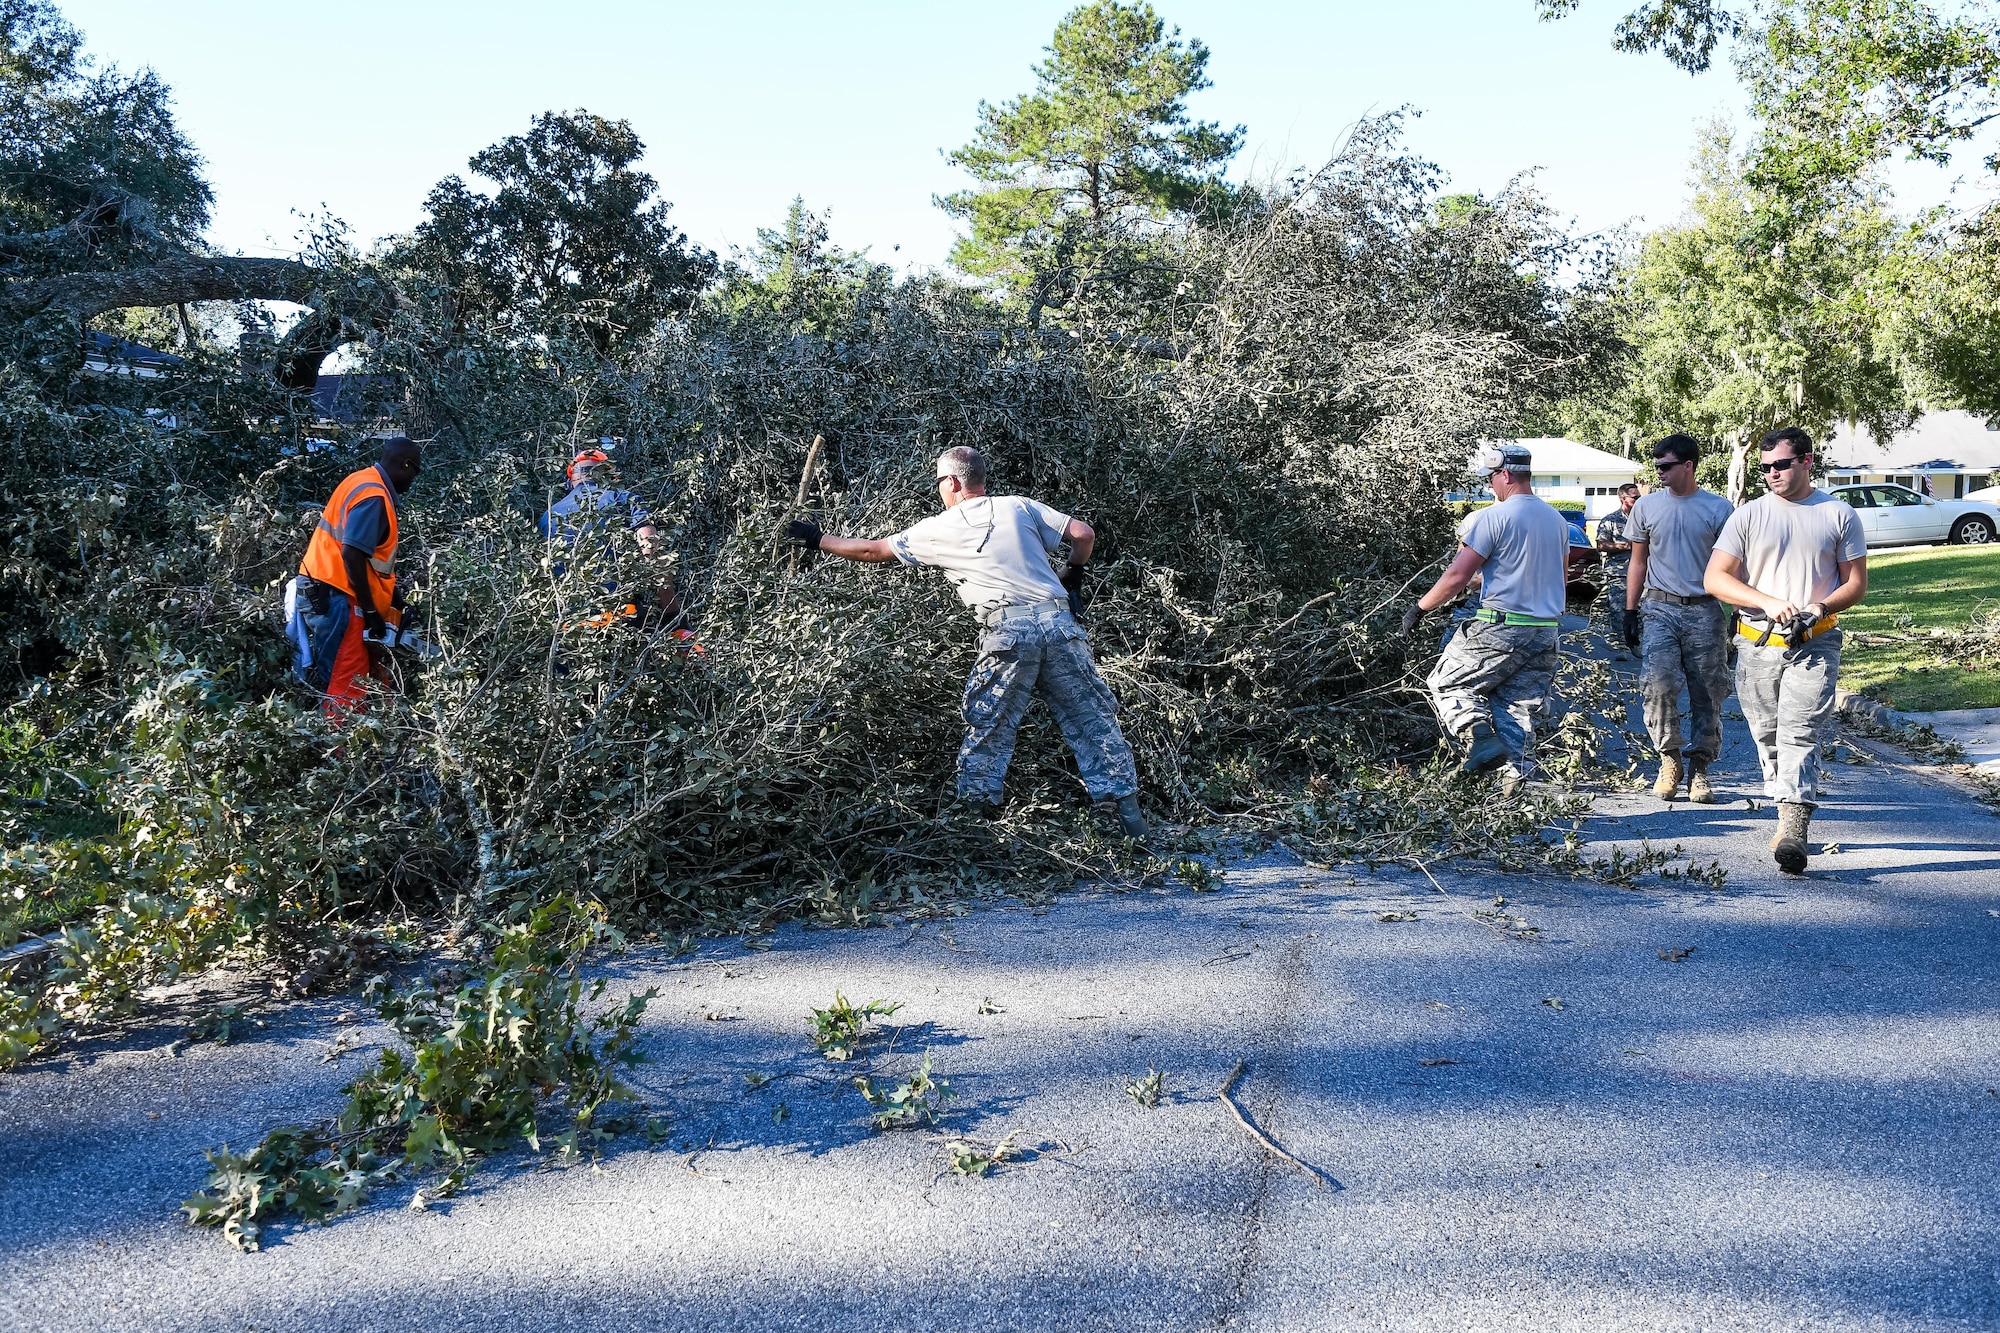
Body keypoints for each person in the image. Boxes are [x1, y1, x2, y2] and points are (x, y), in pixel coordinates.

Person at [784, 445, 1148, 838]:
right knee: (1092, 720)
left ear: (953, 482)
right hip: (1060, 627)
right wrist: (1072, 572)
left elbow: (874, 550)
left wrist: (815, 538)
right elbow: (1083, 534)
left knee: (989, 724)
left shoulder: (939, 528)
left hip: (1008, 634)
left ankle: (974, 829)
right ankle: (1131, 825)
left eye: (939, 481)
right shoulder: (1019, 506)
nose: (939, 489)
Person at [1704, 426, 1868, 873]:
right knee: (1768, 734)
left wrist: (1819, 606)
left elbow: (1855, 583)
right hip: (1756, 641)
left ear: (1806, 462)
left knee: (1800, 730)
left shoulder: (1838, 514)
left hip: (1816, 641)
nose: (1772, 473)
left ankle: (1795, 823)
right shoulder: (1748, 515)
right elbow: (1716, 579)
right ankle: (1784, 810)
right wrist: (1767, 601)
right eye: (1765, 467)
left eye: (1781, 464)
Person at [1403, 442, 1571, 796]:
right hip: (1544, 631)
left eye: (1491, 478)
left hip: (1500, 625)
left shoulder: (1494, 518)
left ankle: (1479, 737)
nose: (1489, 485)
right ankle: (1512, 789)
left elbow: (1456, 576)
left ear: (1505, 474)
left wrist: (1419, 608)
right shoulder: (1557, 521)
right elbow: (1563, 575)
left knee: (1447, 683)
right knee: (1517, 707)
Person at [1622, 435, 1735, 803]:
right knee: (1658, 685)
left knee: (1709, 691)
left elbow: (1736, 566)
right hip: (1659, 608)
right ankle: (1669, 759)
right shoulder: (1647, 507)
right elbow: (1638, 561)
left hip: (1705, 608)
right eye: (1656, 467)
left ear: (1688, 465)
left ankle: (1700, 767)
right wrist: (1629, 609)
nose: (1659, 473)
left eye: (1666, 466)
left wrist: (1738, 611)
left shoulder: (1719, 509)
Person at [287, 436, 421, 715]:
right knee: (347, 683)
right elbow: (351, 554)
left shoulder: (362, 481)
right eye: (414, 471)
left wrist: (395, 600)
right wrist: (372, 610)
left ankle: (377, 742)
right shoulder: (374, 496)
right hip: (338, 596)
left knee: (373, 678)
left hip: (331, 590)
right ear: (405, 465)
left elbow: (372, 561)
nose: (412, 481)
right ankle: (339, 754)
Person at [542, 445, 686, 631]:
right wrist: (672, 614)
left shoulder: (548, 516)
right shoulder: (623, 498)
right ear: (609, 477)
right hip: (619, 614)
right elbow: (651, 551)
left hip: (567, 623)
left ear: (571, 480)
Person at [1595, 482, 1640, 629]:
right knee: (1618, 616)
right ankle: (1619, 648)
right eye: (1635, 497)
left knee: (1643, 617)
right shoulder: (1610, 520)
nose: (1638, 500)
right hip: (1619, 575)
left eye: (1640, 497)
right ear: (1623, 498)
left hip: (1643, 576)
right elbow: (1601, 545)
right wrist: (1626, 546)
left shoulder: (1644, 519)